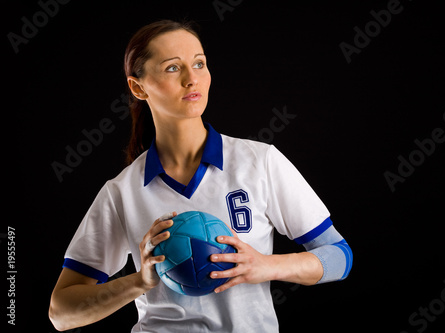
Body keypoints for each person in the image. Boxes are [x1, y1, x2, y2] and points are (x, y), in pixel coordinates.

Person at [48, 19, 353, 332]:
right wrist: (140, 281)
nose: (191, 79)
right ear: (138, 87)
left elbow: (340, 258)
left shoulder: (260, 162)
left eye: (199, 64)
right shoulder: (122, 191)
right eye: (172, 67)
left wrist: (265, 265)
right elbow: (61, 313)